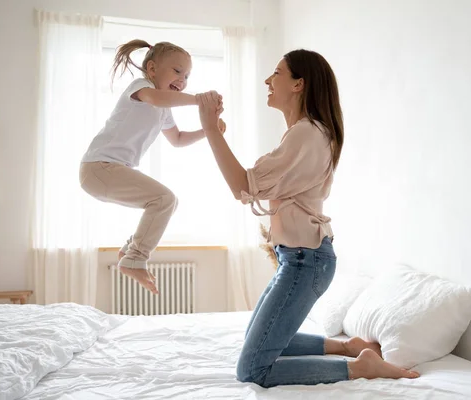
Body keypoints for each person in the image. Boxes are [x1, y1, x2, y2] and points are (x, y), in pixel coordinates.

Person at [196, 49, 420, 387]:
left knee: (252, 369)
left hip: (305, 261)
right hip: (299, 259)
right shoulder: (306, 132)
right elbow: (252, 187)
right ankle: (348, 346)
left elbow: (242, 186)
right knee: (255, 339)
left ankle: (360, 368)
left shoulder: (307, 133)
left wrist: (211, 130)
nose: (267, 81)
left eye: (277, 73)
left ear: (299, 84)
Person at [80, 39, 223, 294]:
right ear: (153, 69)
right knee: (164, 199)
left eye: (187, 75)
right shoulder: (141, 87)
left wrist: (208, 130)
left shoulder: (163, 108)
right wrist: (200, 100)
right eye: (177, 71)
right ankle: (134, 258)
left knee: (167, 202)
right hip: (98, 168)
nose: (183, 79)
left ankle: (131, 251)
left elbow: (177, 140)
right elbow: (158, 98)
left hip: (110, 170)